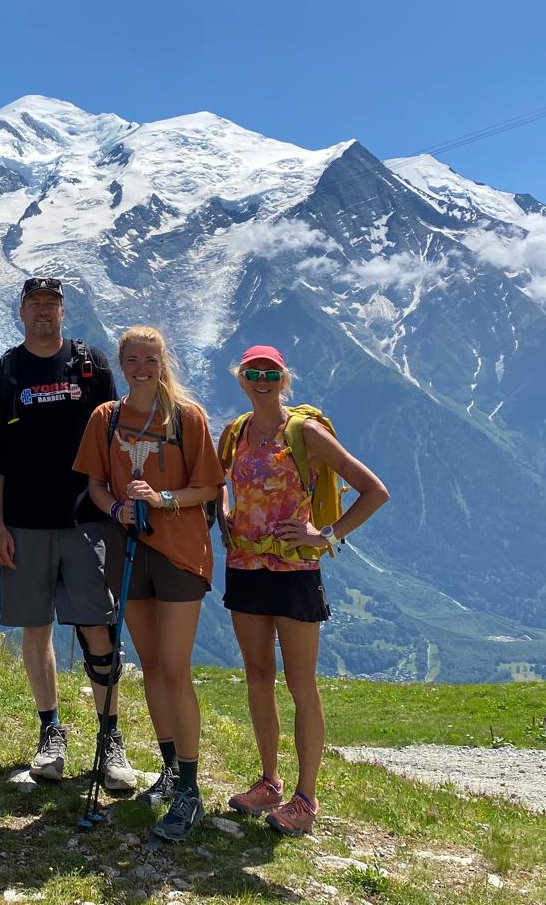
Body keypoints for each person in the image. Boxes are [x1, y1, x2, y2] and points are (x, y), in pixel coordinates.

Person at [220, 345, 389, 838]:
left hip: (295, 571)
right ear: (241, 378)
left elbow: (374, 490)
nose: (261, 381)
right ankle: (269, 783)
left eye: (270, 373)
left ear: (284, 379)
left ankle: (306, 798)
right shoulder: (234, 432)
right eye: (253, 373)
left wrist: (326, 535)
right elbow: (221, 482)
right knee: (257, 676)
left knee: (300, 683)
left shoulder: (305, 432)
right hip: (244, 566)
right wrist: (225, 512)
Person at [0, 276, 134, 792]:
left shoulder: (92, 366)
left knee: (97, 628)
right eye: (34, 304)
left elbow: (114, 442)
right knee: (36, 628)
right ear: (21, 311)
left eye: (51, 303)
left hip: (86, 519)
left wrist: (117, 510)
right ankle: (51, 731)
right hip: (23, 522)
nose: (43, 311)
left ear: (63, 311)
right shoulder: (2, 375)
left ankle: (110, 738)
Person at [74, 325, 225, 841]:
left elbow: (209, 487)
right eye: (132, 360)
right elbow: (95, 485)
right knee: (154, 665)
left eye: (150, 360)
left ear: (164, 364)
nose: (141, 369)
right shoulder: (106, 418)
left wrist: (162, 500)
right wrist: (117, 507)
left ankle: (191, 789)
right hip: (128, 549)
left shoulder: (187, 417)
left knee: (176, 668)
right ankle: (171, 771)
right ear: (121, 364)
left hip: (180, 552)